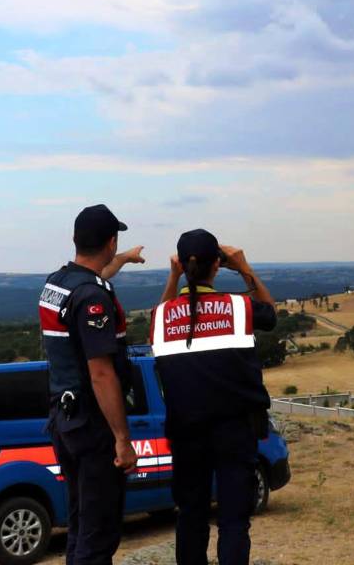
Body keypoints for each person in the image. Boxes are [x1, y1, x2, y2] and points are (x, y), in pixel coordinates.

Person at [151, 228, 277, 565]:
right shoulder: (239, 307)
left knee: (191, 517)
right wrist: (245, 267)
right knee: (234, 521)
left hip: (186, 433)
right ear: (217, 267)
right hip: (236, 431)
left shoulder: (162, 316)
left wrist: (173, 278)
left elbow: (160, 316)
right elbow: (270, 311)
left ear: (182, 265)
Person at [38, 204, 145, 565]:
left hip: (63, 418)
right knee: (99, 533)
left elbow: (94, 278)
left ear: (75, 239)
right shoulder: (93, 299)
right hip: (93, 424)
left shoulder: (58, 283)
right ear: (110, 242)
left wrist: (124, 260)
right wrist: (122, 439)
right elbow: (101, 373)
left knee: (82, 523)